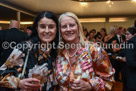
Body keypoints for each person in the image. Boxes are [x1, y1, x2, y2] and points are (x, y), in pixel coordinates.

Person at [0, 11, 59, 91]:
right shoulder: (25, 47)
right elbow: (2, 75)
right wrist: (18, 83)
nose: (47, 30)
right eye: (42, 26)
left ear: (56, 29)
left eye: (51, 27)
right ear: (36, 29)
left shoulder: (55, 49)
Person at [56, 12, 115, 91]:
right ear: (60, 30)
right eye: (64, 26)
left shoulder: (94, 49)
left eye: (72, 25)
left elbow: (109, 80)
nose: (68, 29)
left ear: (78, 27)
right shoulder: (58, 53)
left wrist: (91, 85)